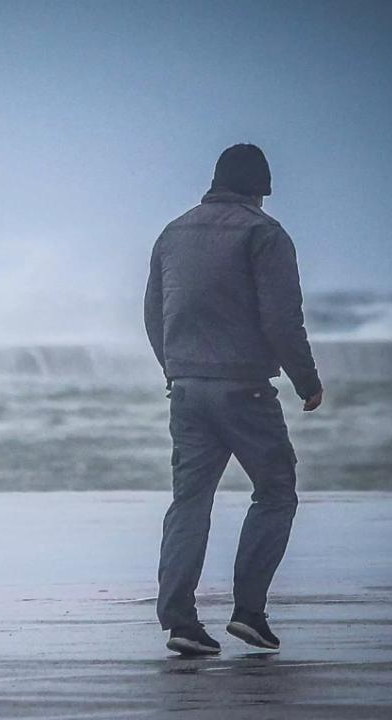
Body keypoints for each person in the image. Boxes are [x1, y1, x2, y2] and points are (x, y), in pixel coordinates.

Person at [143, 143, 323, 656]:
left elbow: (154, 314)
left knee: (190, 501)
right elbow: (281, 319)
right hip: (244, 389)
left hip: (187, 389)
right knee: (275, 490)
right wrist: (306, 381)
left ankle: (180, 621)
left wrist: (175, 369)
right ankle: (248, 613)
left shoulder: (173, 232)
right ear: (261, 190)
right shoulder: (264, 233)